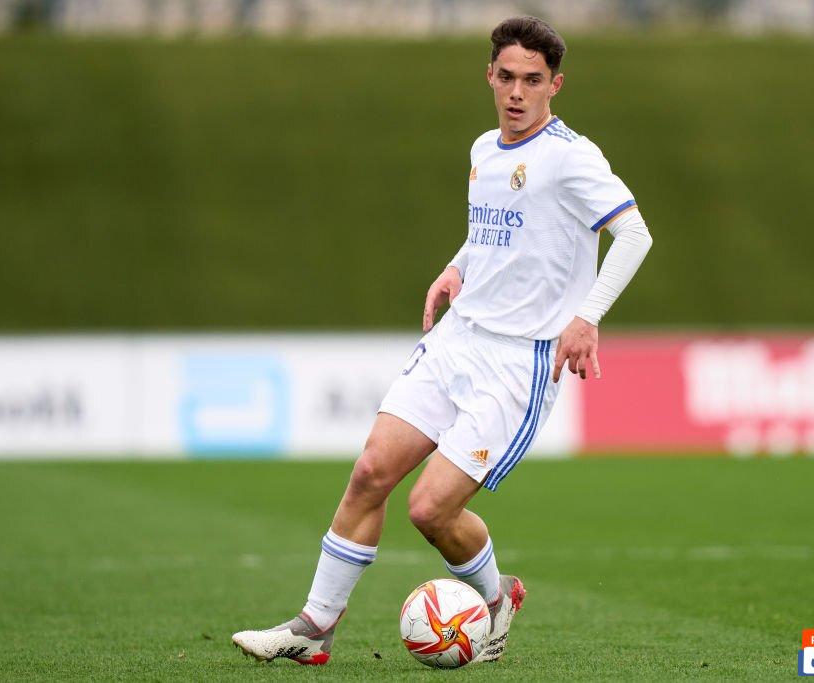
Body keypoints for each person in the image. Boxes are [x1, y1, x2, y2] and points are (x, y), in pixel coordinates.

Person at [232, 15, 653, 666]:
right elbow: (495, 230)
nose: (517, 92)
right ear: (489, 75)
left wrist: (587, 316)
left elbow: (634, 234)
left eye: (532, 80)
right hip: (459, 339)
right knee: (370, 472)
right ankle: (314, 628)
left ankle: (496, 595)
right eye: (506, 77)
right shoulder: (485, 149)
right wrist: (458, 266)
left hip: (518, 361)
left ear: (555, 85)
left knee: (429, 510)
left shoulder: (571, 157)